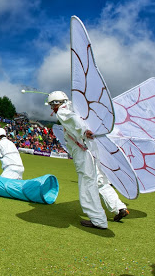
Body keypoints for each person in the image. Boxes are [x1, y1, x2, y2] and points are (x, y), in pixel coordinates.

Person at [47, 91, 129, 230]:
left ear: (56, 103)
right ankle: (119, 207)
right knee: (100, 182)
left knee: (87, 183)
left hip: (83, 153)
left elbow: (73, 120)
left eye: (51, 105)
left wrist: (84, 131)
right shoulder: (79, 107)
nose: (51, 109)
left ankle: (98, 220)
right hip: (93, 150)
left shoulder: (62, 111)